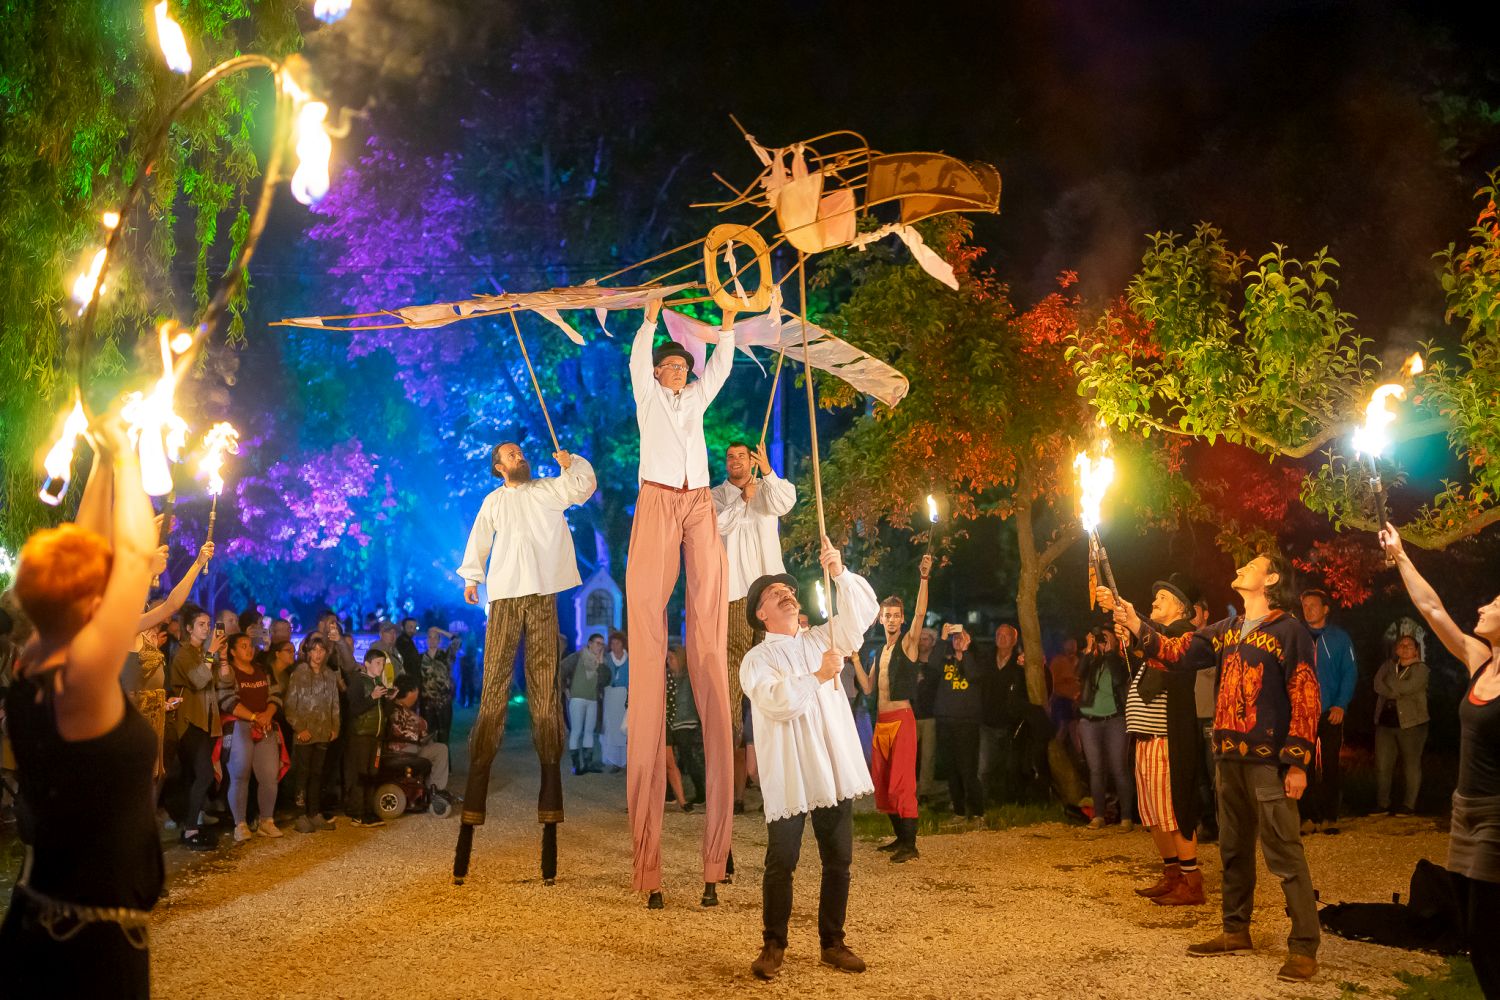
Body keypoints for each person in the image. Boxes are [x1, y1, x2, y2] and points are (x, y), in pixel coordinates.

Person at [0, 419, 161, 996]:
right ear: (92, 602)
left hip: (40, 918)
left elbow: (88, 544)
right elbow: (136, 555)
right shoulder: (84, 678)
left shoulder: (34, 659)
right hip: (86, 950)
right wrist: (129, 454)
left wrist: (100, 460)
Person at [1108, 551, 1321, 984]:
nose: (1241, 568)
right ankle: (1235, 930)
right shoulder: (1225, 630)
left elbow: (1304, 692)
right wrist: (1134, 622)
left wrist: (1298, 761)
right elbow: (1175, 651)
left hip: (1267, 762)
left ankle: (1303, 947)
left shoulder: (1289, 630)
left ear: (1272, 579)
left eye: (1252, 565)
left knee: (1283, 852)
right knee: (1232, 848)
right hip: (1227, 756)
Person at [624, 298, 739, 905]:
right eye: (671, 367)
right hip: (657, 498)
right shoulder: (647, 396)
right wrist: (648, 320)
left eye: (681, 367)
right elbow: (636, 361)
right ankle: (649, 867)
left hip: (696, 502)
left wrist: (726, 328)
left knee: (708, 615)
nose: (678, 373)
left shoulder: (695, 398)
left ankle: (716, 859)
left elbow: (719, 370)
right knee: (647, 612)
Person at [454, 439, 594, 884]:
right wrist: (472, 577)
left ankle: (550, 800)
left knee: (545, 696)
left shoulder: (548, 489)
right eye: (511, 454)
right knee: (493, 692)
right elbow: (479, 539)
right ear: (499, 467)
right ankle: (475, 797)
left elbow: (582, 487)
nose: (520, 456)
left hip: (541, 598)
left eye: (520, 452)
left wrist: (572, 463)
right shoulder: (494, 501)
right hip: (504, 600)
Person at [741, 537, 875, 980]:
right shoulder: (756, 659)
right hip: (792, 772)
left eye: (788, 589)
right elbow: (775, 700)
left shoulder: (823, 638)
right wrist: (818, 675)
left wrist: (839, 573)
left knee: (839, 858)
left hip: (831, 766)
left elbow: (862, 615)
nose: (786, 592)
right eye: (774, 592)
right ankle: (773, 944)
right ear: (761, 613)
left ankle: (832, 942)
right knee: (782, 861)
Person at [1378, 523, 1500, 998]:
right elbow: (1432, 609)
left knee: (1488, 933)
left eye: (1495, 603)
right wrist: (1401, 556)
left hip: (1496, 816)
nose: (1483, 607)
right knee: (1472, 932)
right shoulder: (1479, 659)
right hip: (1463, 812)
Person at [713, 439, 797, 812]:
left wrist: (767, 473)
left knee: (775, 672)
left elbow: (786, 501)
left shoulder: (767, 488)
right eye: (730, 457)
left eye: (741, 456)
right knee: (733, 675)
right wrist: (741, 499)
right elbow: (717, 525)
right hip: (734, 594)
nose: (734, 461)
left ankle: (777, 781)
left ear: (752, 460)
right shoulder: (716, 495)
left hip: (769, 592)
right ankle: (731, 786)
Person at [1124, 575, 1206, 906]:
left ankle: (1192, 882)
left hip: (1166, 739)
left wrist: (1133, 619)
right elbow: (1148, 641)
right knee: (1154, 814)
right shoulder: (1159, 638)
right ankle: (1172, 875)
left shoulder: (1183, 636)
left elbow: (1158, 641)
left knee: (1172, 812)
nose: (1154, 601)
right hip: (1147, 739)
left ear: (1181, 608)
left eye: (1162, 598)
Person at [851, 553, 933, 863]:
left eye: (897, 615)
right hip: (882, 723)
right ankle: (900, 838)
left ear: (902, 618)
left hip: (902, 720)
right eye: (888, 615)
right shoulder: (879, 652)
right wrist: (855, 659)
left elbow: (921, 613)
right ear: (881, 618)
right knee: (883, 784)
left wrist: (924, 577)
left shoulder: (908, 645)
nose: (892, 619)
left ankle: (910, 845)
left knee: (901, 782)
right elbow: (867, 688)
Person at [1298, 588, 1356, 835]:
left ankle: (1330, 817)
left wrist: (1341, 704)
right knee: (1304, 765)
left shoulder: (1339, 638)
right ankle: (1308, 817)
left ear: (1325, 609)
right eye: (1305, 605)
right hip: (1303, 713)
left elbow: (1349, 672)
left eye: (1313, 605)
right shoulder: (1296, 636)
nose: (1308, 609)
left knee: (1331, 765)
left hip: (1330, 710)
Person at [217, 632, 285, 842]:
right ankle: (240, 824)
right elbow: (226, 700)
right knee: (240, 774)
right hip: (240, 726)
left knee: (269, 775)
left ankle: (267, 821)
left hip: (265, 725)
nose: (249, 649)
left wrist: (267, 715)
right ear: (232, 651)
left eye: (251, 645)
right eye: (243, 646)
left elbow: (276, 695)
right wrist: (254, 717)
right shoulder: (229, 672)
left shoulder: (263, 670)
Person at [171, 605, 225, 849]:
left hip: (207, 721)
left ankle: (190, 823)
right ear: (189, 628)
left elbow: (222, 681)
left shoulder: (201, 652)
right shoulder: (183, 654)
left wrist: (220, 656)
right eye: (201, 625)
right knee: (203, 774)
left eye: (208, 624)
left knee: (195, 775)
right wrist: (212, 653)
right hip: (190, 721)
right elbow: (199, 679)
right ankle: (190, 827)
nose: (207, 629)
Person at [283, 634, 340, 833]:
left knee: (317, 774)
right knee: (302, 774)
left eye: (321, 650)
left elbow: (334, 703)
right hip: (304, 734)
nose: (318, 654)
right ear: (307, 652)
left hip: (323, 732)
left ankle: (314, 812)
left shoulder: (330, 675)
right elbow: (290, 704)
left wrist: (335, 726)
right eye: (314, 650)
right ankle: (300, 814)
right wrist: (299, 728)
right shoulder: (299, 674)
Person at [1076, 628, 1132, 830]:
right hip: (1089, 721)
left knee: (1119, 768)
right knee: (1096, 770)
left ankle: (1126, 817)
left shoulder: (1120, 661)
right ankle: (1098, 816)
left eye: (1106, 638)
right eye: (1100, 638)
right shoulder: (1092, 660)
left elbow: (1119, 679)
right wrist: (1088, 649)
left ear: (1116, 641)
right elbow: (1079, 674)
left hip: (1115, 719)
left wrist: (1110, 653)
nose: (1102, 641)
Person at [932, 623, 984, 823]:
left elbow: (973, 675)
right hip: (945, 720)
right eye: (955, 637)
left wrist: (965, 652)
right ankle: (959, 811)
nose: (957, 640)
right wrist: (942, 639)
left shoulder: (976, 658)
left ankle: (977, 812)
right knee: (951, 769)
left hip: (966, 722)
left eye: (961, 636)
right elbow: (932, 665)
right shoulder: (945, 660)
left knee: (968, 768)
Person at [1372, 634, 1429, 816]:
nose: (1404, 648)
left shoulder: (1421, 669)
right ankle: (1382, 803)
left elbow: (1408, 687)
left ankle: (1409, 805)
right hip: (1385, 722)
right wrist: (1394, 690)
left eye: (1409, 645)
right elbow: (1377, 684)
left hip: (1411, 724)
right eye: (1401, 645)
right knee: (1383, 765)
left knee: (1411, 764)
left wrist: (1390, 684)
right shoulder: (1388, 665)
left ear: (1416, 650)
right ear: (1396, 649)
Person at [386, 677, 456, 813]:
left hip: (407, 746)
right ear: (409, 693)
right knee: (441, 750)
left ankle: (431, 787)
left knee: (433, 745)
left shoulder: (398, 708)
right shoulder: (397, 711)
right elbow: (402, 732)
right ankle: (436, 789)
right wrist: (420, 734)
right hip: (404, 749)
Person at [345, 648, 394, 827]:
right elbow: (353, 709)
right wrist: (373, 697)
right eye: (378, 663)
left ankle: (369, 810)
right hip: (361, 735)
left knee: (372, 773)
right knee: (360, 774)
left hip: (376, 736)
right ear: (367, 663)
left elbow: (385, 713)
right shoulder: (358, 681)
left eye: (383, 663)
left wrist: (390, 700)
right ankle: (357, 813)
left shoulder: (379, 682)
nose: (381, 667)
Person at [980, 624, 1028, 803]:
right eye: (998, 634)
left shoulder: (1020, 663)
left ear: (1014, 640)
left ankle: (1005, 801)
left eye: (1006, 635)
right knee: (984, 766)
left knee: (1007, 765)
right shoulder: (987, 659)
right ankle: (982, 802)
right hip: (987, 721)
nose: (1001, 638)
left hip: (1010, 723)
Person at [1190, 596, 1219, 843]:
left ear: (1206, 614)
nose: (1191, 613)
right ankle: (1207, 824)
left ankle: (1226, 824)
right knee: (1198, 775)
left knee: (1215, 775)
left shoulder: (1215, 641)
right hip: (1190, 717)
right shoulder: (1183, 642)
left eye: (1195, 609)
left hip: (1211, 716)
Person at [667, 646, 707, 807]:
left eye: (672, 658)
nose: (669, 662)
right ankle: (672, 792)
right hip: (673, 723)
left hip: (686, 722)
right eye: (668, 659)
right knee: (671, 759)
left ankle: (700, 792)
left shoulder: (689, 678)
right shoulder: (669, 677)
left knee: (687, 758)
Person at [562, 634, 607, 775]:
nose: (600, 646)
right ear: (589, 643)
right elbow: (561, 670)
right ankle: (576, 766)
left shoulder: (600, 661)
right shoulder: (577, 657)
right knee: (576, 731)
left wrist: (601, 662)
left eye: (602, 644)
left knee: (589, 732)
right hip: (577, 699)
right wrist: (565, 689)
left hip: (592, 700)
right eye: (597, 643)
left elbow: (604, 680)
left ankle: (588, 764)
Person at [912, 626, 941, 801]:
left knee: (928, 756)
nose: (922, 642)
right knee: (909, 755)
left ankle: (924, 791)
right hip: (911, 714)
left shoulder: (937, 664)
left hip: (930, 715)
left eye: (926, 639)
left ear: (933, 642)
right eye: (920, 638)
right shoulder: (911, 662)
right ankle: (909, 788)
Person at [421, 626, 456, 746]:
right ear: (426, 640)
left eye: (435, 637)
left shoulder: (446, 656)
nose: (432, 640)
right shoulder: (421, 658)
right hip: (426, 704)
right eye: (430, 637)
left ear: (439, 640)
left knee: (443, 736)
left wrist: (439, 630)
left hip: (443, 702)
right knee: (427, 737)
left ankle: (444, 758)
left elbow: (457, 641)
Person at [601, 632, 629, 772]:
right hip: (610, 695)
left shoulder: (630, 659)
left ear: (623, 644)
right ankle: (613, 760)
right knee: (611, 727)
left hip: (624, 695)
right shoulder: (606, 659)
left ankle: (625, 759)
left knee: (624, 727)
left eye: (617, 643)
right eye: (612, 643)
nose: (614, 646)